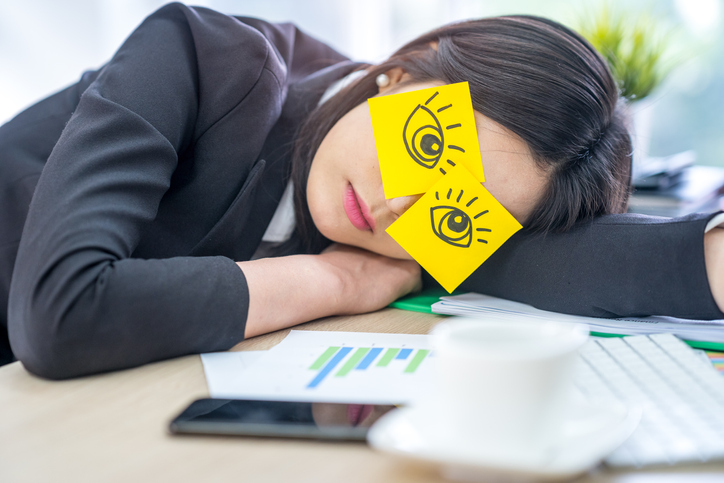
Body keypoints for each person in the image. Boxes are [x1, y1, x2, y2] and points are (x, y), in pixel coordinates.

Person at [1, 3, 722, 379]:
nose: (395, 209)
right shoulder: (204, 56)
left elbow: (585, 260)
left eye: (455, 210)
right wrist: (329, 281)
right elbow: (64, 314)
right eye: (430, 149)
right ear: (403, 72)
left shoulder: (430, 226)